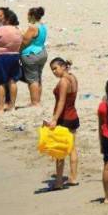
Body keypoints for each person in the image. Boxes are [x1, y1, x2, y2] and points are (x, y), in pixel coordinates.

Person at [46, 58, 79, 190]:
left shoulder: (64, 82)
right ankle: (73, 177)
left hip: (64, 118)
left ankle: (59, 181)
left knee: (60, 151)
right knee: (72, 148)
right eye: (52, 69)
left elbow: (61, 102)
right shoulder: (73, 77)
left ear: (63, 67)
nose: (54, 71)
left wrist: (54, 119)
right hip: (73, 116)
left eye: (55, 68)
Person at [0, 7, 22, 113]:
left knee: (0, 82)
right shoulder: (18, 30)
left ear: (6, 19)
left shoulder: (1, 30)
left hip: (1, 57)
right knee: (13, 81)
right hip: (15, 56)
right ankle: (12, 105)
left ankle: (1, 107)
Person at [20, 7, 48, 106]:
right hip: (42, 52)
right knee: (38, 77)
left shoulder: (33, 27)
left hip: (31, 54)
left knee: (32, 79)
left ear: (32, 16)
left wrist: (18, 51)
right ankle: (38, 100)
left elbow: (24, 42)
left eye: (28, 15)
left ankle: (35, 102)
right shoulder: (43, 26)